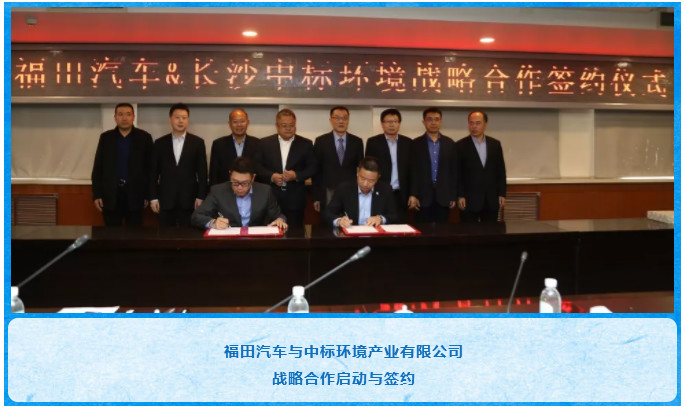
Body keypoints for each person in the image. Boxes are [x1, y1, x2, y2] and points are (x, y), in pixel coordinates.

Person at [91, 103, 153, 226]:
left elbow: (150, 169)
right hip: (110, 195)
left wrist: (147, 195)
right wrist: (97, 195)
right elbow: (98, 168)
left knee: (135, 234)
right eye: (120, 114)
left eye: (128, 114)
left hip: (136, 195)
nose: (124, 118)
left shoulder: (144, 138)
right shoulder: (106, 138)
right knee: (111, 234)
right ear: (115, 117)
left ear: (133, 117)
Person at [254, 108, 316, 228]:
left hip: (295, 200)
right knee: (270, 232)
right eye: (284, 125)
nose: (288, 128)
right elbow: (256, 166)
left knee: (295, 234)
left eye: (291, 125)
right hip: (270, 198)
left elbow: (312, 168)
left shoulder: (306, 144)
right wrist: (271, 176)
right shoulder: (264, 143)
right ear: (277, 126)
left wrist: (296, 175)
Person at [150, 103, 208, 227]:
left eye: (184, 118)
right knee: (165, 235)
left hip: (190, 200)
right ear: (170, 119)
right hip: (165, 200)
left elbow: (202, 173)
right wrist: (153, 198)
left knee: (189, 235)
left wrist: (201, 196)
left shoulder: (197, 143)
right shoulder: (159, 143)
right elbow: (153, 173)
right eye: (177, 117)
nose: (181, 121)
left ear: (188, 120)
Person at [191, 157, 287, 230]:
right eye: (235, 182)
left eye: (245, 183)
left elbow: (278, 215)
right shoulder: (218, 191)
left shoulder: (265, 191)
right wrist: (213, 223)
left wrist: (280, 220)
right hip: (227, 242)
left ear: (253, 178)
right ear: (230, 175)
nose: (239, 187)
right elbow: (196, 216)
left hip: (256, 242)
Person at [455, 110, 507, 222]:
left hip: (491, 199)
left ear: (485, 124)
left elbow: (500, 170)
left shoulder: (495, 144)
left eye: (478, 123)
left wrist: (502, 193)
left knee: (491, 231)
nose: (474, 126)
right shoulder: (460, 145)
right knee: (469, 232)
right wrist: (460, 195)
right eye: (471, 123)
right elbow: (457, 173)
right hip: (468, 200)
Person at [312, 106, 364, 217]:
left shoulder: (357, 142)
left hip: (350, 191)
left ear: (348, 120)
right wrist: (317, 197)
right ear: (330, 120)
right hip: (328, 191)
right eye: (337, 118)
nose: (341, 121)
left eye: (344, 118)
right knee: (328, 223)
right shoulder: (321, 141)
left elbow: (361, 170)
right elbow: (316, 171)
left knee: (350, 222)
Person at [409, 107, 457, 223]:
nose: (433, 123)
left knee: (443, 231)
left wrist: (453, 195)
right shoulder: (415, 144)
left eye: (436, 119)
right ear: (424, 122)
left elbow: (454, 172)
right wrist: (413, 194)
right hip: (422, 197)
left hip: (444, 196)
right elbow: (412, 172)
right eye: (430, 119)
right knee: (422, 230)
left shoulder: (450, 143)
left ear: (441, 121)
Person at [323, 157, 400, 228]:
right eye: (362, 178)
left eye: (371, 181)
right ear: (357, 172)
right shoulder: (344, 189)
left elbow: (394, 215)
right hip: (351, 234)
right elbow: (328, 213)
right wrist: (339, 221)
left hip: (375, 234)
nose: (365, 184)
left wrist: (380, 219)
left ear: (378, 178)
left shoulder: (385, 190)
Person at [365, 108, 412, 221]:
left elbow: (413, 171)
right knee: (380, 223)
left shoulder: (408, 143)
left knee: (401, 225)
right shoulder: (373, 142)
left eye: (395, 121)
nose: (392, 125)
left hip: (401, 193)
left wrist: (413, 194)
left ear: (399, 124)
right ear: (382, 124)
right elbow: (369, 169)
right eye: (388, 121)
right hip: (380, 192)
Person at [209, 108, 260, 186]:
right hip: (225, 189)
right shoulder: (218, 144)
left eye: (242, 121)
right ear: (229, 124)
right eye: (235, 122)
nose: (239, 125)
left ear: (248, 122)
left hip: (251, 189)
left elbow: (259, 171)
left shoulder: (258, 143)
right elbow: (213, 174)